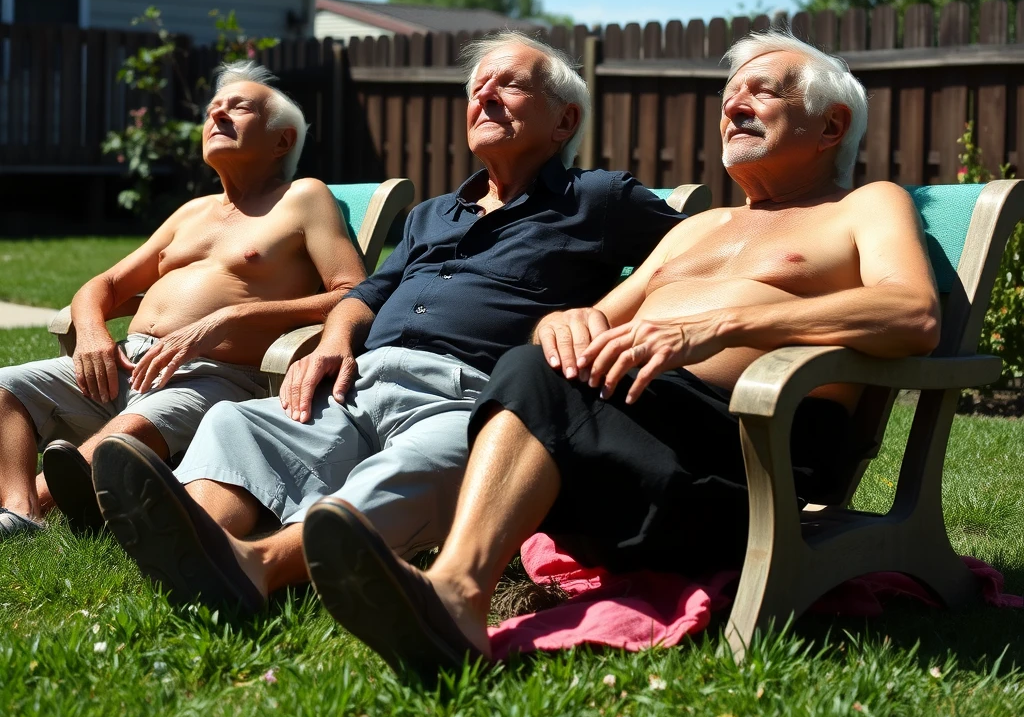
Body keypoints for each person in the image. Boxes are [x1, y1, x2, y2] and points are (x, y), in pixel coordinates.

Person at [299, 28, 943, 684]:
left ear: (832, 125)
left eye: (762, 91)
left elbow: (912, 315)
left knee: (536, 378)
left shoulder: (864, 207)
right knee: (531, 364)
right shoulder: (698, 228)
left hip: (750, 456)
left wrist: (729, 323)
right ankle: (444, 587)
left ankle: (451, 592)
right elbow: (599, 315)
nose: (733, 106)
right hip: (638, 456)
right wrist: (567, 320)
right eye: (728, 96)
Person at [90, 32, 685, 612]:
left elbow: (694, 258)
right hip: (360, 379)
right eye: (478, 87)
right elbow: (367, 292)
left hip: (472, 399)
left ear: (564, 122)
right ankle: (202, 549)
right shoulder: (433, 215)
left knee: (421, 468)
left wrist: (601, 312)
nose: (486, 95)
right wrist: (334, 338)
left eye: (510, 84)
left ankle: (255, 565)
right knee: (236, 424)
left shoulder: (598, 199)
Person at [0, 61, 364, 537]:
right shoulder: (192, 211)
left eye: (240, 108)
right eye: (214, 110)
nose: (219, 116)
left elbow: (353, 292)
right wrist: (91, 333)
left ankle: (45, 502)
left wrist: (230, 318)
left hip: (213, 377)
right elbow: (104, 286)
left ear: (283, 140)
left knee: (126, 434)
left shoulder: (303, 198)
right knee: (6, 387)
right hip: (127, 364)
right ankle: (20, 509)